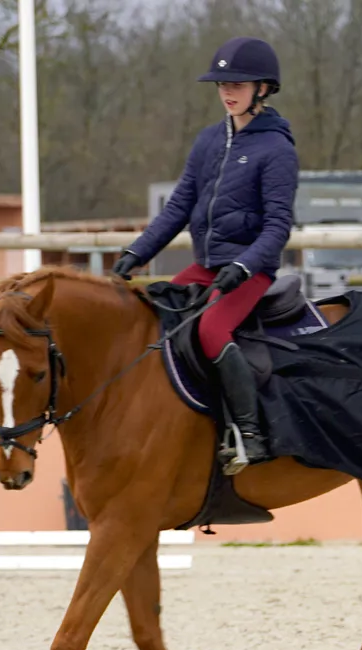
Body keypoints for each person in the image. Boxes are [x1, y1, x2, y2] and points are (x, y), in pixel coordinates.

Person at [111, 36, 298, 475]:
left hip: (249, 270)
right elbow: (177, 208)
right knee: (154, 317)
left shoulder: (277, 150)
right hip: (205, 266)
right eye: (221, 85)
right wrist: (134, 253)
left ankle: (249, 434)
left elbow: (277, 228)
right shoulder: (209, 140)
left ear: (263, 89)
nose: (227, 92)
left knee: (212, 328)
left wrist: (243, 265)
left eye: (237, 84)